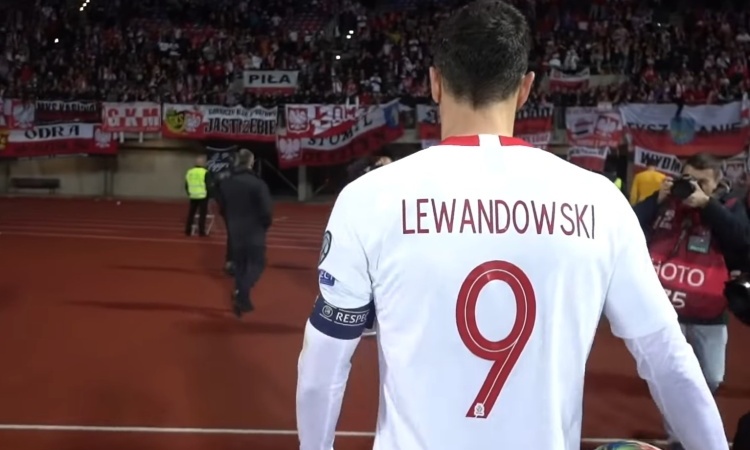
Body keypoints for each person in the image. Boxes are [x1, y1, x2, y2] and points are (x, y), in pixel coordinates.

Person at [295, 1, 727, 449]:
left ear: (435, 83)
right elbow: (668, 360)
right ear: (525, 88)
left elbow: (322, 365)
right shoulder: (599, 201)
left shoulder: (370, 198)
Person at [632, 153, 750, 450]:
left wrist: (707, 205)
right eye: (688, 179)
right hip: (665, 311)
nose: (693, 187)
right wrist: (656, 200)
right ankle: (679, 438)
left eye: (702, 182)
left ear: (717, 184)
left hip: (708, 312)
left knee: (711, 377)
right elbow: (627, 226)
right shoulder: (665, 205)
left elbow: (743, 241)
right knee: (672, 379)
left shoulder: (728, 207)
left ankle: (693, 424)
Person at [216, 149, 272, 317]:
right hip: (254, 231)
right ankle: (241, 293)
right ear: (250, 162)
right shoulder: (257, 184)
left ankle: (242, 298)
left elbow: (222, 207)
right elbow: (266, 211)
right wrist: (264, 225)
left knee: (240, 267)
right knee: (257, 264)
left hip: (235, 231)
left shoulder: (226, 183)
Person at [184, 156, 210, 236]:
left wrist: (189, 193)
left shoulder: (190, 172)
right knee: (202, 214)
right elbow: (208, 185)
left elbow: (186, 184)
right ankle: (201, 231)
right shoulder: (205, 172)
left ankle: (188, 230)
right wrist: (209, 195)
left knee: (191, 213)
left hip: (193, 195)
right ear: (203, 163)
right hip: (203, 195)